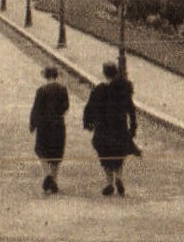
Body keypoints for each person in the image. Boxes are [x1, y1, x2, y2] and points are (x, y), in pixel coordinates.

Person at [83, 61, 139, 195]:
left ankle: (109, 182)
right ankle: (119, 177)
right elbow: (131, 109)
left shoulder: (99, 89)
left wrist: (88, 123)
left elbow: (89, 108)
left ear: (104, 73)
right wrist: (133, 125)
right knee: (119, 153)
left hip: (103, 127)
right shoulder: (124, 88)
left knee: (105, 153)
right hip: (119, 126)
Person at [29, 65, 70, 194]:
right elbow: (66, 106)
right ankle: (55, 180)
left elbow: (36, 109)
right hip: (58, 124)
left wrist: (33, 124)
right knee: (57, 153)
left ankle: (47, 174)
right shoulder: (63, 89)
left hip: (44, 125)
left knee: (42, 150)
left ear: (46, 76)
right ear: (56, 75)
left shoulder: (41, 90)